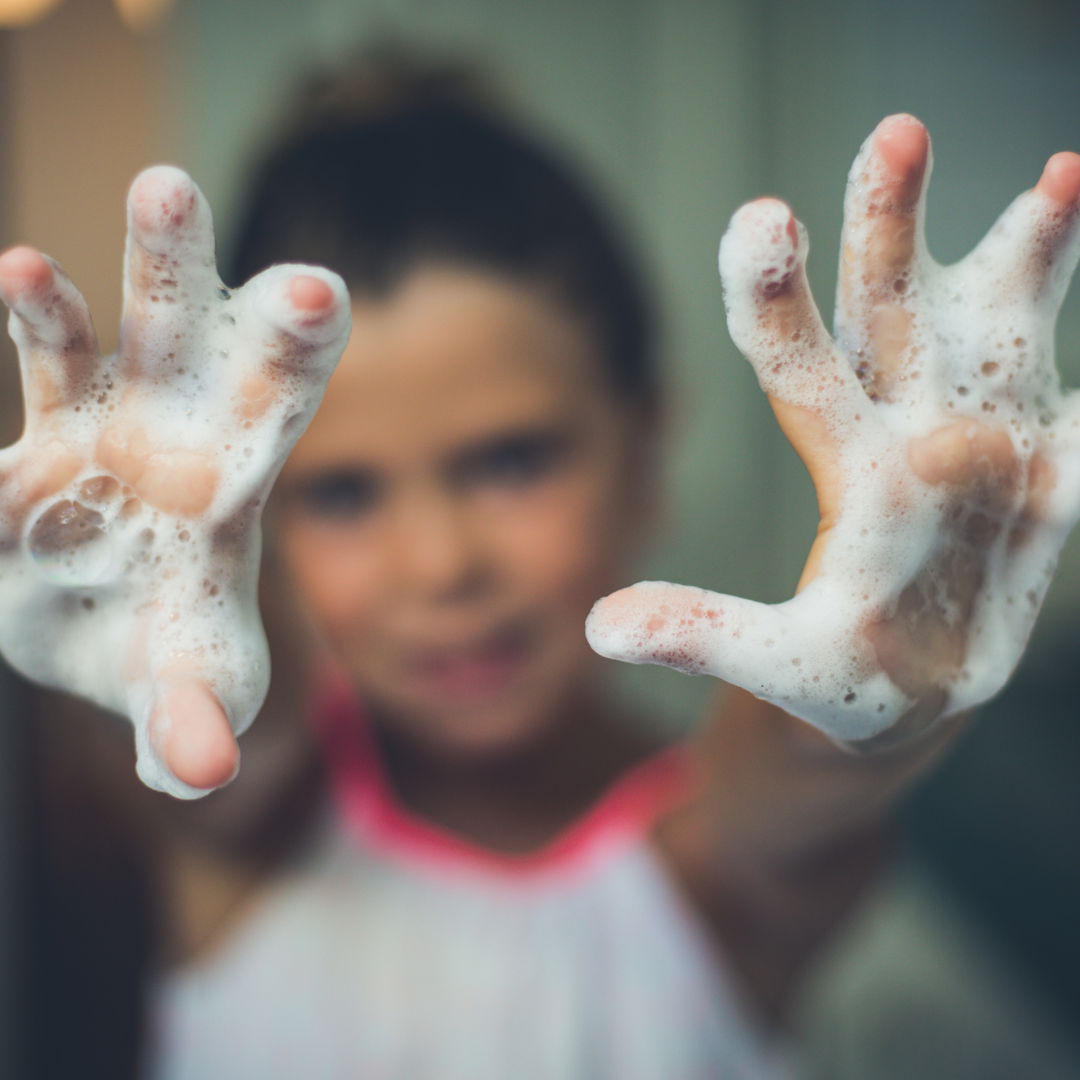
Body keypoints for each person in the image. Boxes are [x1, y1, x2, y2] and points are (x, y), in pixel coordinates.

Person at [3, 54, 1079, 1079]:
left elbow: (798, 773)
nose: (441, 565)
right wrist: (130, 577)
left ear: (646, 450)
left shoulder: (718, 870)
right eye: (341, 493)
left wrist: (885, 668)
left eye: (511, 461)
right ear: (258, 518)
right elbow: (215, 721)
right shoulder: (251, 815)